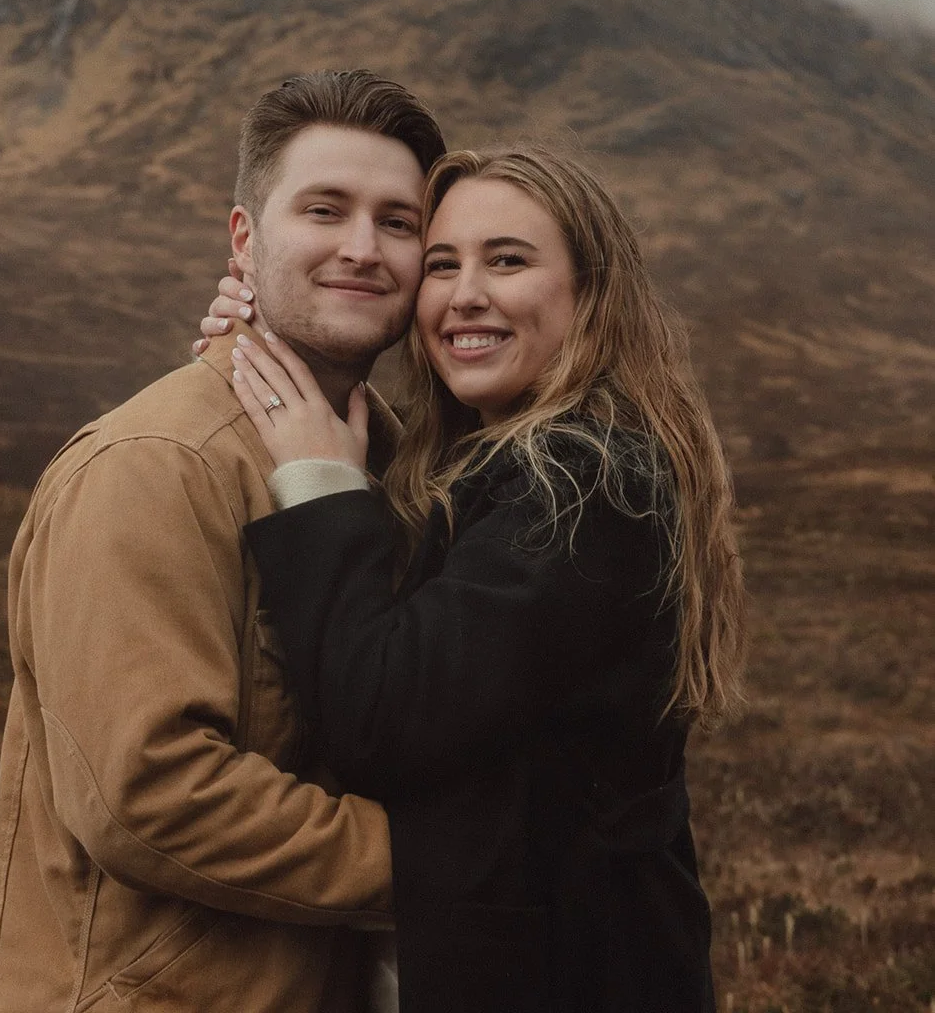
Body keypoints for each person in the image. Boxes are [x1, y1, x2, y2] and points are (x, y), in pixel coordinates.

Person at [202, 144, 745, 1013]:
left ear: (591, 293)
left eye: (508, 261)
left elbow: (384, 718)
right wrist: (270, 347)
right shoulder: (495, 461)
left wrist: (319, 482)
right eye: (442, 264)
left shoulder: (585, 484)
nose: (464, 295)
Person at [0, 70, 446, 1013]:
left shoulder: (396, 468)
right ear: (244, 239)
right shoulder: (155, 465)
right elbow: (150, 792)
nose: (362, 248)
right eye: (324, 209)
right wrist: (452, 861)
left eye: (397, 222)